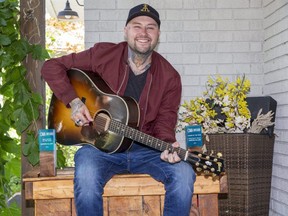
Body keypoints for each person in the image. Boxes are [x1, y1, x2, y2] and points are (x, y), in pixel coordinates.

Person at [41, 3, 196, 216]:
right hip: (100, 150)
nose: (143, 33)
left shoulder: (170, 77)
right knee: (85, 172)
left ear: (158, 34)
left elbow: (165, 122)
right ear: (126, 30)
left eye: (150, 27)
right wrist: (74, 102)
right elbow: (50, 66)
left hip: (146, 150)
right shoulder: (103, 54)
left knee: (184, 174)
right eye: (136, 26)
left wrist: (168, 146)